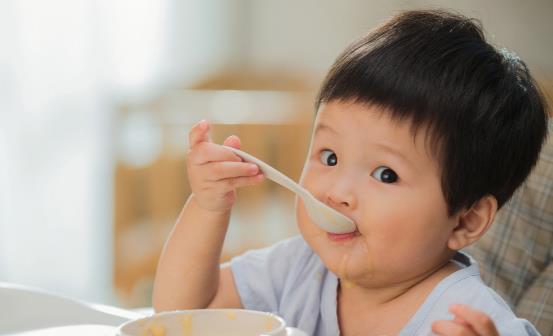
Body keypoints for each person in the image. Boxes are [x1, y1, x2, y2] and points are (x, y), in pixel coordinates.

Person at [152, 10, 549, 336]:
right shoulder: (299, 268)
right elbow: (185, 312)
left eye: (386, 174)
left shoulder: (469, 320)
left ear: (466, 219)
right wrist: (207, 208)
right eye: (329, 157)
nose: (338, 191)